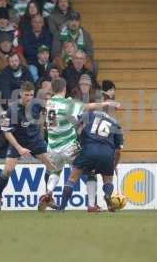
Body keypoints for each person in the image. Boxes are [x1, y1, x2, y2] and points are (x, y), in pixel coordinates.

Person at [38, 78, 121, 212]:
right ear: (64, 89)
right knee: (91, 172)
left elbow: (45, 124)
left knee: (55, 170)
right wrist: (106, 102)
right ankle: (92, 205)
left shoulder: (48, 104)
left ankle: (49, 193)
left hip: (52, 146)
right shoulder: (67, 103)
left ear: (53, 89)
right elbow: (87, 107)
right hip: (68, 145)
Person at [0, 81, 58, 211]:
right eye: (26, 95)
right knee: (8, 169)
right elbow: (6, 132)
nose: (29, 98)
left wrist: (50, 121)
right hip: (18, 142)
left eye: (31, 95)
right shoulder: (12, 109)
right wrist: (19, 149)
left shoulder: (37, 104)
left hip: (35, 141)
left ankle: (48, 197)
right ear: (21, 94)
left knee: (53, 168)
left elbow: (50, 110)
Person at [58, 109, 123, 212]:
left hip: (89, 150)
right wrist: (114, 165)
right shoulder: (115, 123)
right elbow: (118, 151)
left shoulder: (88, 115)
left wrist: (77, 140)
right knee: (108, 180)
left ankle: (61, 208)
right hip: (106, 153)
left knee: (72, 179)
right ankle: (107, 196)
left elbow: (74, 124)